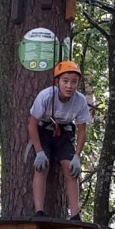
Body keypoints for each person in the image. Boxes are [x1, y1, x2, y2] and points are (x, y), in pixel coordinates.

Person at [28, 61, 92, 220]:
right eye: (65, 81)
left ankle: (75, 214)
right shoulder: (45, 96)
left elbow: (83, 130)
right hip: (44, 129)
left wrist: (77, 156)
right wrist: (39, 151)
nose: (69, 86)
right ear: (57, 82)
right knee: (42, 167)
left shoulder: (80, 100)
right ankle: (39, 211)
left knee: (71, 169)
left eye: (74, 82)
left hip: (65, 131)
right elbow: (32, 124)